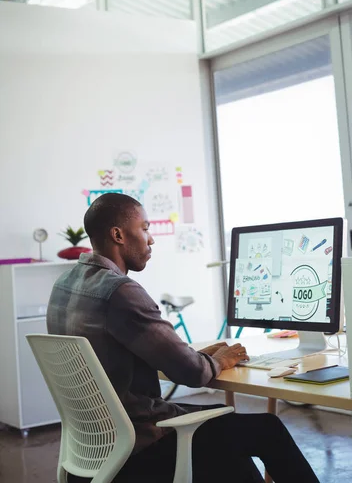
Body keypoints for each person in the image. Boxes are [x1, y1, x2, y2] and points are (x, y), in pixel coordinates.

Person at [47, 193, 320, 483]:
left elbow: (120, 350)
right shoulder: (121, 292)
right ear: (118, 235)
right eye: (145, 228)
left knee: (224, 427)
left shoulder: (64, 284)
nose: (151, 239)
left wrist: (202, 355)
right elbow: (192, 372)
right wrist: (218, 360)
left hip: (93, 447)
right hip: (139, 445)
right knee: (267, 429)